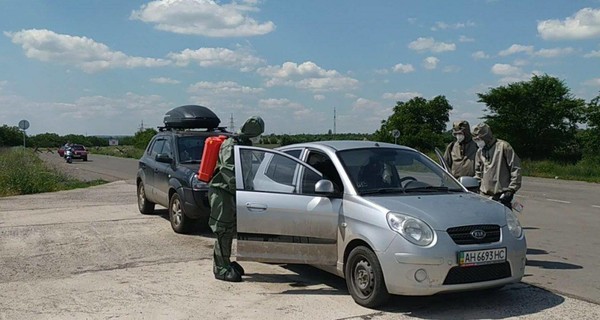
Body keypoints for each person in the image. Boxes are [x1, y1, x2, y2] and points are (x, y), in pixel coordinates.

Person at [208, 116, 265, 282]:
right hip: (222, 193)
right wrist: (241, 192)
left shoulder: (244, 145)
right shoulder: (230, 145)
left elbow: (246, 172)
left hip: (232, 194)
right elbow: (228, 172)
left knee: (229, 229)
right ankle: (220, 268)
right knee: (222, 230)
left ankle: (225, 261)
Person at [472, 123, 522, 209]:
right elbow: (478, 173)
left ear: (486, 136)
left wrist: (511, 190)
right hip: (484, 196)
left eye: (479, 139)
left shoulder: (503, 146)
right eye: (475, 139)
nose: (478, 141)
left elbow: (515, 168)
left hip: (502, 197)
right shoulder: (479, 152)